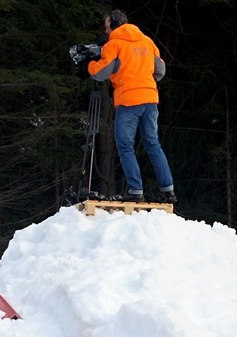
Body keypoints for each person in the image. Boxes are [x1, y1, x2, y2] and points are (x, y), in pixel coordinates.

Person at [87, 9, 176, 203]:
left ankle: (136, 191)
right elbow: (160, 71)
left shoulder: (114, 44)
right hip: (150, 99)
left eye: (107, 27)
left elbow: (100, 73)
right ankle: (168, 190)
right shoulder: (147, 42)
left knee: (125, 146)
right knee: (152, 143)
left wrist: (90, 63)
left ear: (116, 25)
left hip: (128, 101)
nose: (106, 31)